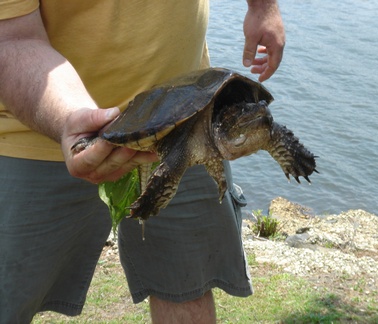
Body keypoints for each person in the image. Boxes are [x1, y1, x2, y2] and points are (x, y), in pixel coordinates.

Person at [0, 0, 285, 323]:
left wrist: (263, 7)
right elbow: (12, 38)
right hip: (38, 131)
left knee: (188, 287)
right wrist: (70, 120)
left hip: (192, 116)